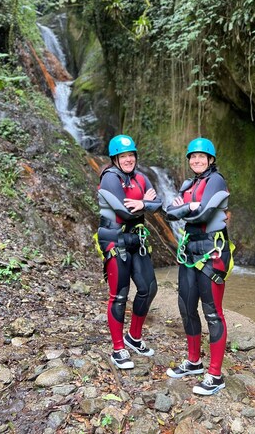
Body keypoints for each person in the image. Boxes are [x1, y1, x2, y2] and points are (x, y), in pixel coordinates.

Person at [166, 137, 233, 396]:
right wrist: (188, 206)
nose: (196, 160)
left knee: (213, 313)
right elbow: (168, 212)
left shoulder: (216, 180)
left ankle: (215, 375)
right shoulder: (189, 184)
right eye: (193, 157)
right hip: (189, 251)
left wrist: (185, 207)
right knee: (186, 306)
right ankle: (194, 362)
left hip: (212, 252)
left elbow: (203, 214)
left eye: (201, 157)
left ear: (210, 160)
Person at [96, 134, 161, 369]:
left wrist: (144, 204)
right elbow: (122, 211)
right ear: (115, 158)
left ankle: (133, 338)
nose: (128, 159)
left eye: (130, 155)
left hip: (137, 240)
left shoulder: (140, 178)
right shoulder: (110, 178)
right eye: (123, 156)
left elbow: (158, 204)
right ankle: (117, 348)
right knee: (119, 295)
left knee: (148, 288)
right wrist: (145, 204)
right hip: (115, 239)